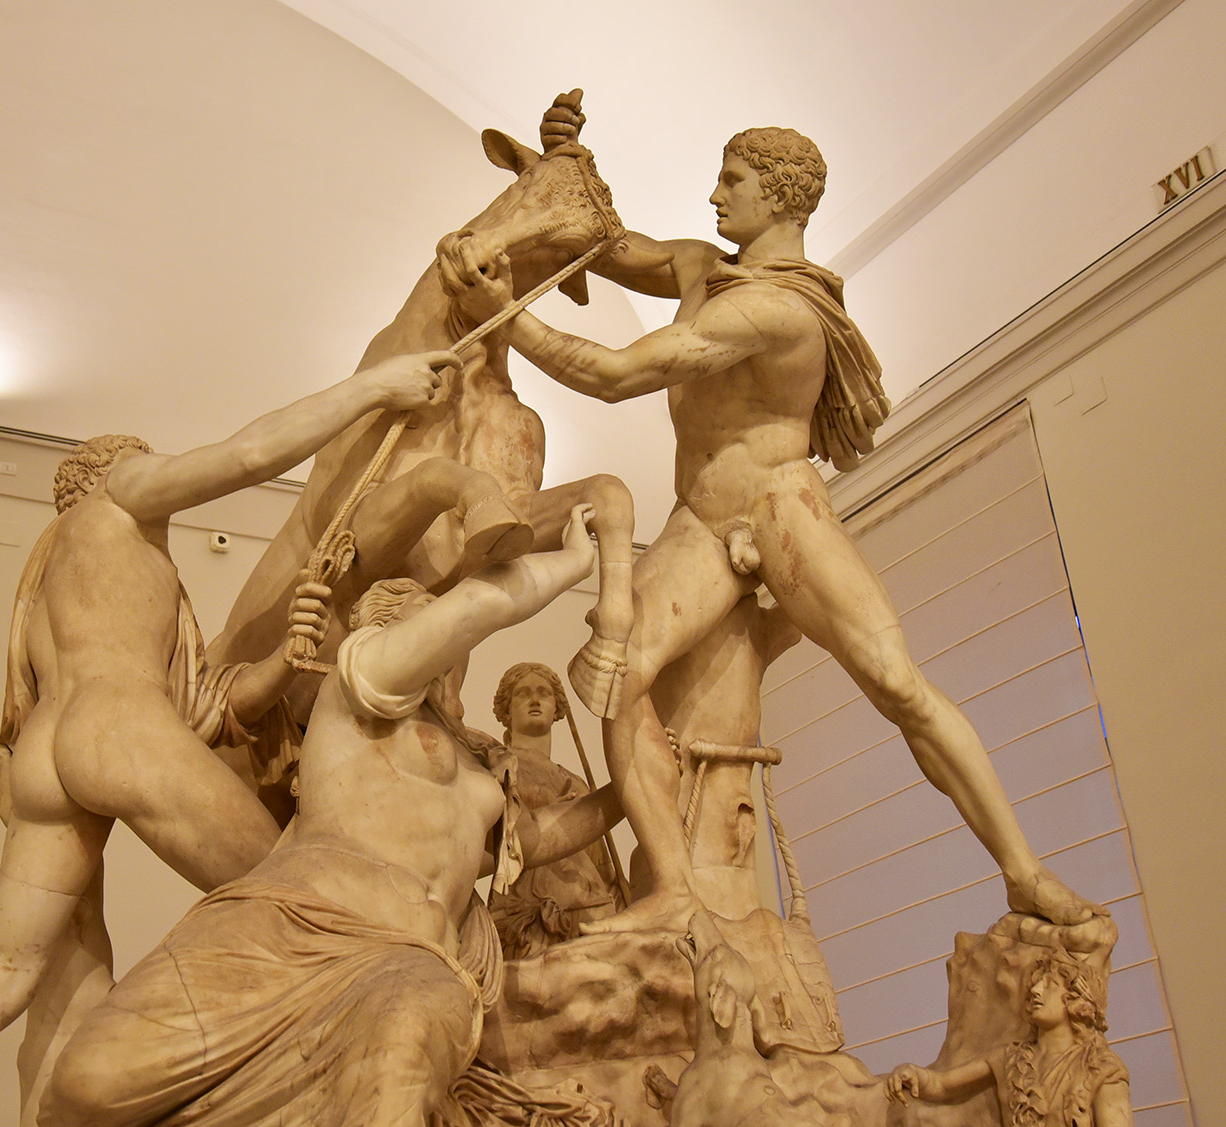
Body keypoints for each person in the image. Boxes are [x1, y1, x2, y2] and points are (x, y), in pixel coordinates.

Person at [440, 94, 1096, 933]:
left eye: (733, 180)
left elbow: (613, 374)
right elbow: (607, 245)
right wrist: (555, 170)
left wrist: (501, 312)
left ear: (780, 197)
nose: (715, 196)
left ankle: (1024, 871)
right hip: (700, 518)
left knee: (897, 683)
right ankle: (672, 888)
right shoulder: (699, 268)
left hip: (781, 507)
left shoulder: (777, 311)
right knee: (617, 671)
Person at [0, 350, 462, 1127]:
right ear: (110, 470)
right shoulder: (116, 501)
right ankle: (290, 1108)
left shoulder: (56, 579)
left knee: (8, 986)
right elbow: (249, 454)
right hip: (117, 731)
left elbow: (210, 712)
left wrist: (286, 652)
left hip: (48, 752)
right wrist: (377, 387)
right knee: (303, 897)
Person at [0, 505, 637, 1127]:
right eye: (429, 621)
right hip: (285, 925)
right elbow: (477, 607)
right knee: (89, 1082)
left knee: (402, 1052)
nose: (449, 641)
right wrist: (575, 564)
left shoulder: (480, 761)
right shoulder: (361, 685)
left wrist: (631, 789)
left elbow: (536, 840)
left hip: (409, 960)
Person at [885, 952, 1138, 1127]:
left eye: (1049, 984)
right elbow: (942, 1085)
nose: (1035, 990)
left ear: (1076, 1000)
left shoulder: (1100, 1068)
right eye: (1035, 983)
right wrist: (913, 1074)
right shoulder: (1010, 1058)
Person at [486, 662, 623, 956]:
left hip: (590, 912)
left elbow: (601, 863)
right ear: (506, 710)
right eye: (523, 693)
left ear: (557, 708)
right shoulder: (498, 765)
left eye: (544, 693)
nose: (535, 700)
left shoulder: (577, 782)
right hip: (531, 916)